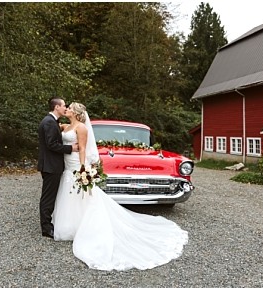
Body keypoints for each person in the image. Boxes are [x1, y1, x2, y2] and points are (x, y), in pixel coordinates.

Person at [51, 102, 188, 271]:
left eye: (70, 107)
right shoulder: (66, 126)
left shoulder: (81, 128)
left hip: (76, 165)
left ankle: (84, 228)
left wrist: (82, 169)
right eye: (67, 106)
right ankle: (71, 226)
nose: (68, 109)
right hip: (67, 166)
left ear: (77, 113)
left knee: (84, 197)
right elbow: (56, 130)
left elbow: (83, 149)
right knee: (70, 196)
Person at [37, 97, 79, 238]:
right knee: (48, 197)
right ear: (56, 107)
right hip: (50, 165)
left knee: (51, 195)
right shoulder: (49, 122)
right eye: (63, 106)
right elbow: (51, 144)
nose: (65, 108)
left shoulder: (52, 121)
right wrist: (71, 148)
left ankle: (49, 223)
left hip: (51, 164)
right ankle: (46, 228)